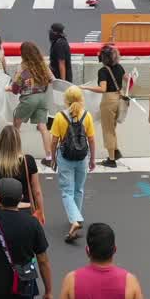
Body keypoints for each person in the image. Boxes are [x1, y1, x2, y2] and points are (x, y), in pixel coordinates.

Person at [52, 86, 96, 242]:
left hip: (65, 157)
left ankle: (75, 219)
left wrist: (53, 158)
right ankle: (76, 217)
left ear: (66, 100)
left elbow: (54, 140)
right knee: (79, 189)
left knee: (66, 191)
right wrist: (92, 159)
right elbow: (91, 139)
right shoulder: (87, 116)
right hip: (82, 157)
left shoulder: (59, 116)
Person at [0, 126, 45, 224]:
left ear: (1, 141)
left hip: (1, 209)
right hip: (24, 209)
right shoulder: (28, 160)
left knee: (1, 237)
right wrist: (41, 211)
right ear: (18, 141)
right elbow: (36, 191)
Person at [9, 41, 54, 168]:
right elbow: (52, 80)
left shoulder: (23, 67)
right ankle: (49, 157)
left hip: (29, 99)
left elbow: (15, 88)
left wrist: (14, 86)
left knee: (16, 126)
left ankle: (16, 155)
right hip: (43, 98)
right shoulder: (43, 65)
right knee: (43, 128)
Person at [82, 44, 126, 167]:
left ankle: (111, 159)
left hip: (108, 100)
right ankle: (115, 151)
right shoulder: (119, 67)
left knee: (107, 130)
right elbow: (128, 79)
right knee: (112, 128)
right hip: (119, 98)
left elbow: (102, 88)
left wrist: (86, 87)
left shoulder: (103, 71)